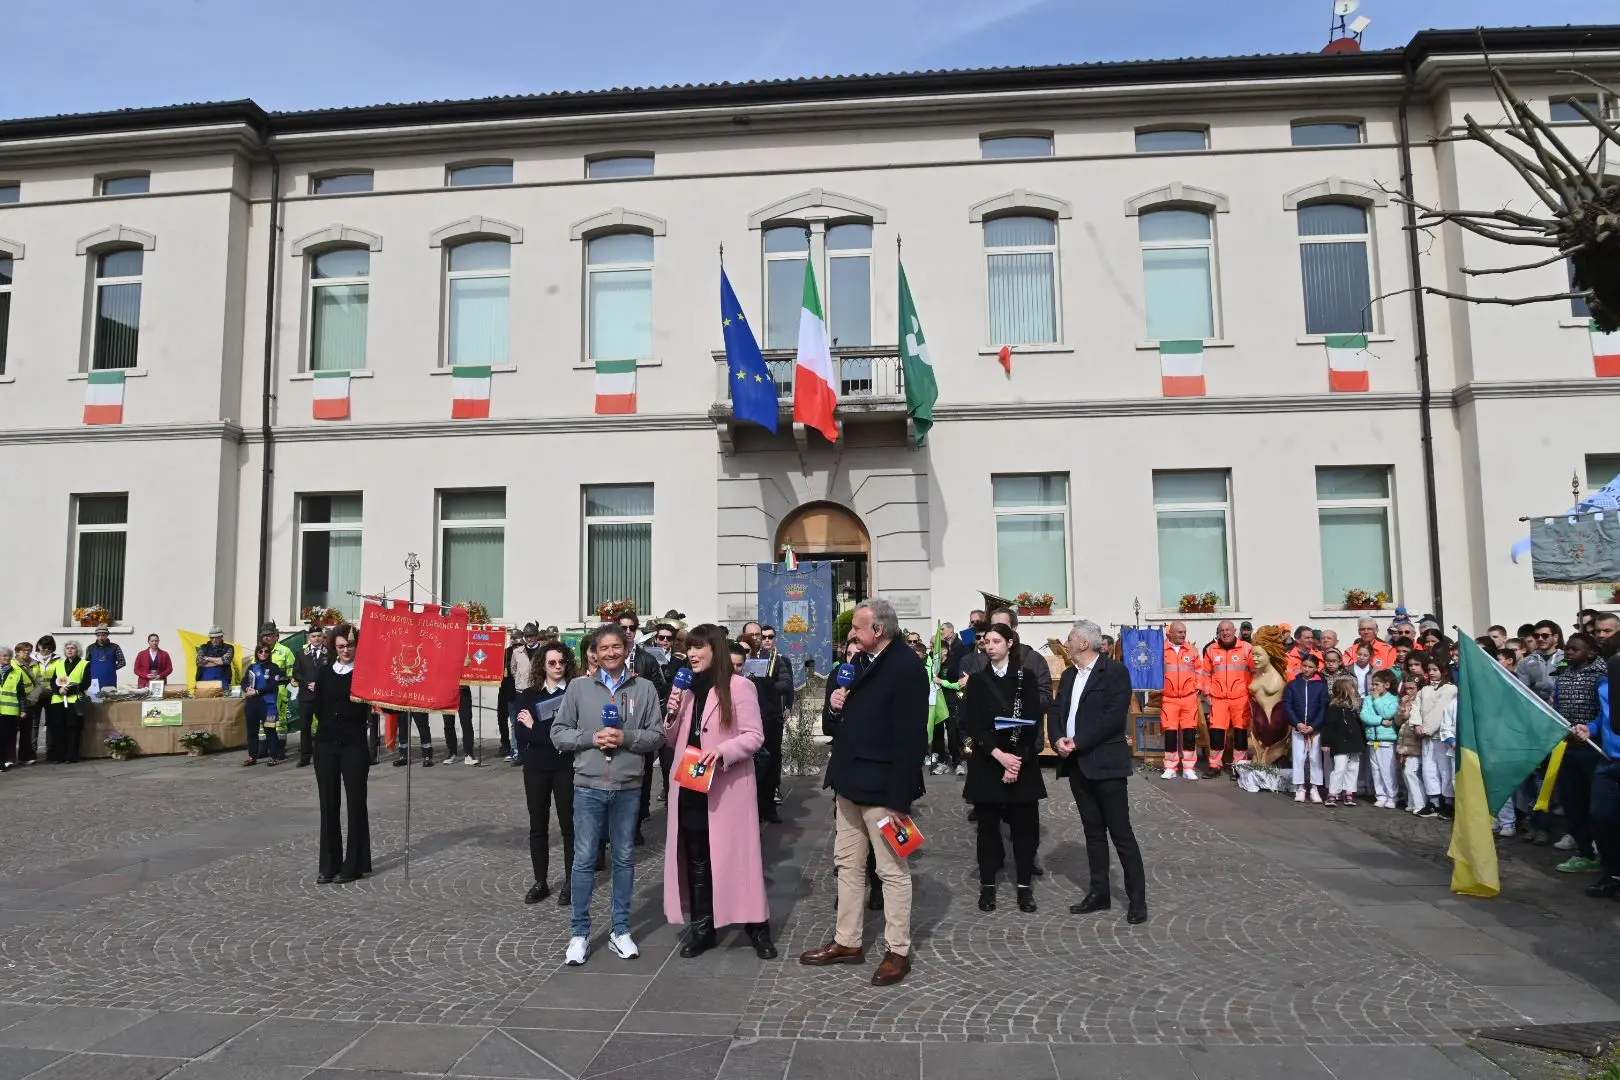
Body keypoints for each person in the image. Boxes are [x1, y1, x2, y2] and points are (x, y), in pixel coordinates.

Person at [800, 597, 929, 988]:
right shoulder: (855, 664)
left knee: (891, 871)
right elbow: (841, 725)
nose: (851, 634)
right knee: (848, 865)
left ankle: (898, 950)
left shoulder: (907, 667)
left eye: (857, 628)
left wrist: (900, 799)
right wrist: (837, 706)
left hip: (884, 790)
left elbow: (911, 740)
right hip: (849, 783)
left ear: (879, 630)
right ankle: (847, 941)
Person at [550, 623, 664, 967]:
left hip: (628, 788)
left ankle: (621, 929)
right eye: (605, 648)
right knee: (584, 860)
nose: (612, 653)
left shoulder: (643, 689)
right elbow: (559, 733)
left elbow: (657, 735)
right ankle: (580, 933)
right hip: (587, 786)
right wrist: (592, 737)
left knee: (625, 858)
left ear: (626, 649)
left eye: (617, 646)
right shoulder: (578, 688)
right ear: (595, 654)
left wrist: (626, 738)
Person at [662, 624, 774, 959]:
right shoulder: (688, 690)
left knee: (740, 859)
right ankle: (702, 928)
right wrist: (671, 713)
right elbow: (673, 739)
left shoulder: (739, 687)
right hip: (690, 785)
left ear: (715, 651)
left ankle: (757, 926)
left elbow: (755, 736)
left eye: (699, 648)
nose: (692, 654)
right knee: (697, 860)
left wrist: (724, 751)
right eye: (689, 648)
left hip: (727, 788)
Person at [1049, 619, 1145, 924]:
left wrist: (1078, 741)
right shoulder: (1067, 675)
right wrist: (1057, 739)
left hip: (1106, 764)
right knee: (1093, 833)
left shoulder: (1115, 672)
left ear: (1084, 643)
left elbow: (1112, 718)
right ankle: (1099, 892)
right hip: (1077, 765)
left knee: (1121, 833)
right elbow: (1057, 710)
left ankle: (1137, 900)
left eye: (1070, 638)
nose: (1066, 643)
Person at [960, 623, 1046, 913]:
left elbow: (1033, 719)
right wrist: (998, 755)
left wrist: (1015, 760)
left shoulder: (1026, 677)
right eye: (987, 642)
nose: (991, 646)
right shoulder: (978, 681)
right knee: (987, 830)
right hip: (988, 762)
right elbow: (971, 724)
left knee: (1024, 829)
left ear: (1010, 643)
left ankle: (1024, 888)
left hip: (1021, 762)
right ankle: (987, 887)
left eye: (997, 641)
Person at [311, 624, 372, 884]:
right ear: (333, 648)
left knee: (356, 804)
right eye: (341, 647)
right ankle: (329, 863)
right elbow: (318, 707)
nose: (346, 650)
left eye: (350, 645)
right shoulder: (325, 672)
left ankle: (354, 863)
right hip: (326, 745)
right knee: (328, 804)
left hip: (354, 745)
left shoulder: (365, 673)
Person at [521, 641, 577, 906]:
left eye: (562, 662)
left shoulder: (575, 693)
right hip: (536, 768)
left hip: (567, 766)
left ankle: (570, 881)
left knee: (570, 826)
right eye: (552, 662)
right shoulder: (529, 695)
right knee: (537, 825)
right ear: (542, 664)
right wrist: (551, 733)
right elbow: (521, 733)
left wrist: (538, 729)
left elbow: (571, 735)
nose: (557, 667)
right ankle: (540, 881)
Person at [1551, 632, 1607, 873]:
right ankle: (1584, 852)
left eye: (1575, 649)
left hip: (1594, 750)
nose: (1568, 652)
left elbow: (1606, 713)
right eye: (1567, 648)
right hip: (1568, 747)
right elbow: (1556, 704)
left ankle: (1605, 853)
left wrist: (1590, 730)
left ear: (1591, 653)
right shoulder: (1563, 673)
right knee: (1574, 804)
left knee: (1598, 808)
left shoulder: (1602, 676)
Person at [744, 626, 794, 825]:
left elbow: (786, 684)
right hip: (746, 717)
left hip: (769, 718)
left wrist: (768, 684)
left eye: (763, 636)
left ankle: (769, 807)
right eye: (755, 635)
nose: (759, 639)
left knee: (771, 761)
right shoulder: (740, 656)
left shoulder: (775, 659)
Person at [1201, 619, 1254, 775]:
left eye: (1228, 629)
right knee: (1217, 732)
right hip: (1218, 698)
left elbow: (1255, 672)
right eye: (1222, 630)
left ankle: (1239, 766)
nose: (1225, 633)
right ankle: (1214, 765)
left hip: (1241, 698)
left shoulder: (1247, 648)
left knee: (1240, 733)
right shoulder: (1211, 650)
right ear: (1218, 633)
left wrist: (1251, 693)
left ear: (1234, 631)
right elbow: (1205, 674)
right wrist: (1207, 693)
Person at [1414, 657, 1459, 819]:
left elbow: (1439, 711)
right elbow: (1416, 707)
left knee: (1445, 770)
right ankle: (1434, 801)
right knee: (1428, 768)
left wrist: (1427, 729)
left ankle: (1448, 801)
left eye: (1435, 670)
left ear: (1444, 671)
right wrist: (1416, 724)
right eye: (1430, 670)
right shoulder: (1424, 690)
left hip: (1441, 736)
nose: (1432, 673)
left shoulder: (1450, 689)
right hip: (1426, 736)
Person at [1159, 621, 1203, 781]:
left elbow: (1200, 670)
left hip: (1189, 699)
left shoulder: (1192, 650)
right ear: (1169, 633)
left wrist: (1198, 686)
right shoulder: (1160, 650)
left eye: (1184, 632)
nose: (1183, 635)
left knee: (1189, 734)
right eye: (1179, 632)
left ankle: (1189, 767)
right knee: (1170, 734)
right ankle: (1170, 767)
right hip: (1169, 699)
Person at [1285, 653, 1328, 803]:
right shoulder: (1292, 685)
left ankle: (1315, 788)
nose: (1307, 669)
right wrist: (1297, 723)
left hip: (1314, 730)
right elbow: (1287, 706)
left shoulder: (1321, 686)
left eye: (1310, 667)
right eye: (1304, 666)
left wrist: (1314, 726)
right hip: (1298, 729)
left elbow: (1323, 707)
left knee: (1315, 759)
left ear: (1316, 668)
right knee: (1298, 758)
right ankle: (1300, 787)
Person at [1320, 675, 1366, 806]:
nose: (1354, 691)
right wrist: (1326, 742)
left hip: (1355, 742)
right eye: (1351, 688)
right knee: (1339, 768)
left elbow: (1359, 725)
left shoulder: (1354, 707)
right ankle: (1333, 793)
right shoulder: (1334, 707)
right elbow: (1329, 725)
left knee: (1353, 767)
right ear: (1345, 690)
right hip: (1340, 742)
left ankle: (1349, 792)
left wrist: (1363, 740)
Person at [242, 642, 291, 765]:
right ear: (257, 653)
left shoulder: (274, 667)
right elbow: (244, 681)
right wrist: (247, 689)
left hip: (268, 705)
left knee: (270, 730)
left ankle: (273, 756)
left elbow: (273, 685)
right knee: (252, 731)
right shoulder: (252, 667)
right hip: (253, 703)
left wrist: (257, 691)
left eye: (266, 651)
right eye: (260, 651)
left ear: (269, 653)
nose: (263, 654)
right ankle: (252, 757)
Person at [44, 641, 90, 763]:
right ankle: (57, 755)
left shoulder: (85, 664)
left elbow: (86, 682)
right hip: (58, 701)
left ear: (77, 650)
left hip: (74, 700)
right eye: (67, 648)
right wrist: (59, 689)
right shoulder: (58, 664)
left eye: (72, 648)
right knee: (57, 728)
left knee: (72, 728)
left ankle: (71, 755)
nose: (70, 650)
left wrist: (69, 690)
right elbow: (53, 681)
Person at [1361, 669, 1401, 808]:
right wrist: (1380, 721)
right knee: (1376, 770)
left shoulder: (1393, 699)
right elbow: (1364, 716)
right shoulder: (1367, 699)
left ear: (1387, 685)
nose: (1374, 687)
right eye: (1373, 684)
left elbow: (1388, 713)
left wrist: (1378, 699)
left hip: (1387, 740)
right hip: (1373, 739)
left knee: (1387, 770)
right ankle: (1381, 795)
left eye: (1377, 684)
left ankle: (1392, 796)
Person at [509, 623, 546, 766]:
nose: (529, 639)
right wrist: (520, 680)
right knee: (520, 723)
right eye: (527, 636)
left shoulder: (543, 650)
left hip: (538, 689)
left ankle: (538, 750)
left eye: (531, 636)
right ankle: (521, 754)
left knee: (539, 720)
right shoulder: (517, 651)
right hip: (522, 691)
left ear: (536, 636)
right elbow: (513, 669)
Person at [294, 627, 329, 768]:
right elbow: (296, 673)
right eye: (314, 636)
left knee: (325, 725)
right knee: (305, 727)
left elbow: (332, 671)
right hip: (306, 695)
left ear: (323, 637)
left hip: (323, 696)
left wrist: (319, 684)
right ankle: (305, 756)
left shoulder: (330, 653)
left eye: (319, 636)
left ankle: (324, 754)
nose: (316, 639)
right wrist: (307, 684)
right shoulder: (301, 654)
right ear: (309, 637)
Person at [0, 647, 35, 771]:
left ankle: (9, 759)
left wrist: (23, 710)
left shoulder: (17, 672)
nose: (7, 658)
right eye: (4, 655)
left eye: (9, 656)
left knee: (9, 736)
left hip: (10, 710)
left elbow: (21, 694)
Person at [15, 642, 45, 766]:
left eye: (28, 650)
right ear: (17, 652)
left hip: (30, 702)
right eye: (23, 650)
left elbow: (39, 683)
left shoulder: (35, 664)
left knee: (27, 730)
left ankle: (25, 756)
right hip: (14, 702)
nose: (26, 652)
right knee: (10, 731)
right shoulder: (12, 664)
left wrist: (32, 698)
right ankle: (8, 757)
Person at [1520, 620, 1564, 702]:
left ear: (1555, 637)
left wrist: (1537, 685)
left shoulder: (1567, 659)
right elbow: (1523, 690)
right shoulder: (1525, 662)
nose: (1540, 639)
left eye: (1545, 635)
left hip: (1560, 708)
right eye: (1536, 636)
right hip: (1537, 709)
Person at [85, 625, 125, 691]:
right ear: (96, 636)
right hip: (94, 679)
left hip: (110, 678)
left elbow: (122, 662)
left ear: (107, 635)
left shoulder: (115, 647)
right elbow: (86, 663)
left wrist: (111, 668)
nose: (101, 638)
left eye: (103, 635)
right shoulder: (90, 648)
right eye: (98, 636)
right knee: (95, 699)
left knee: (110, 698)